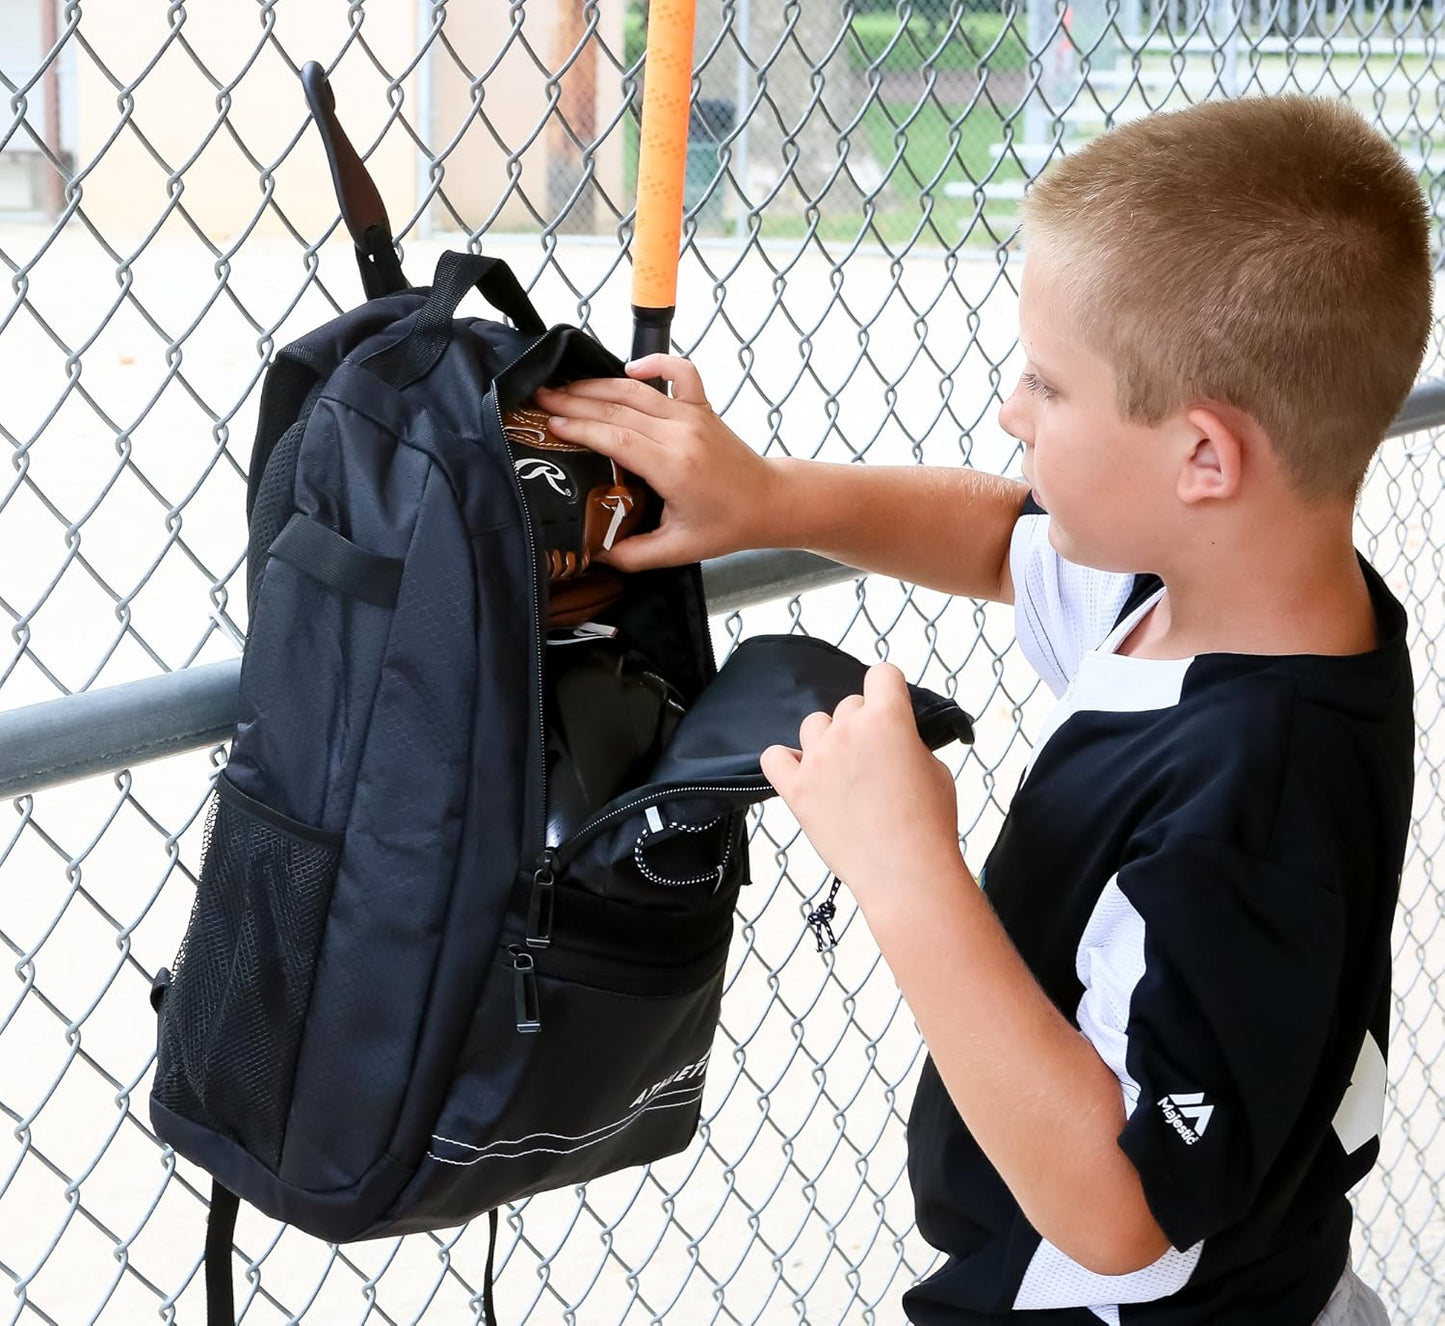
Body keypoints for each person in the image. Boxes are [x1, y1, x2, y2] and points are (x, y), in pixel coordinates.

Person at [530, 93, 1424, 1324]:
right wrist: (770, 498)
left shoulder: (1254, 793)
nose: (1011, 410)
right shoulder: (1239, 589)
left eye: (1046, 387)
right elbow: (1007, 542)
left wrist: (905, 868)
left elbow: (1122, 1211)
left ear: (1202, 460)